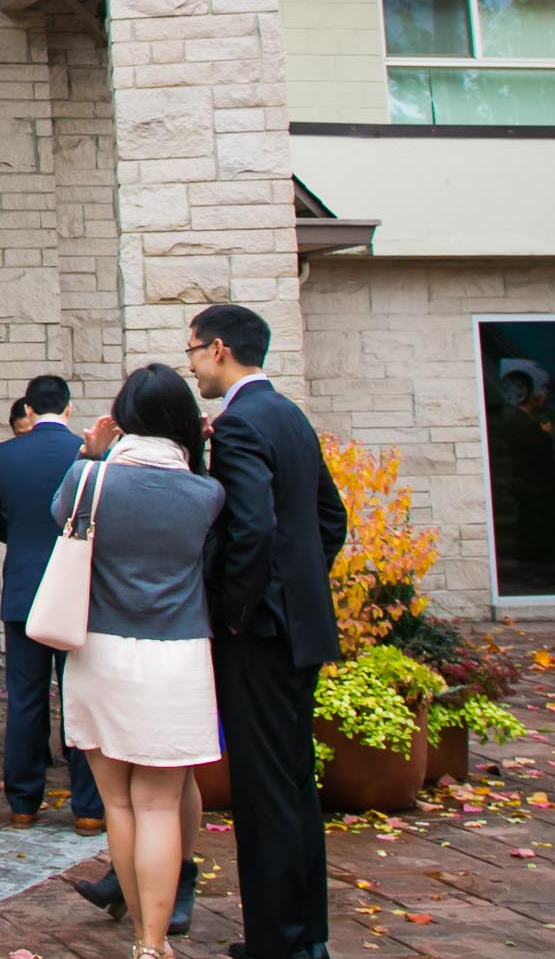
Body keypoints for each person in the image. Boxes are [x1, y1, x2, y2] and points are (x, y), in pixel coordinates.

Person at [187, 305, 346, 959]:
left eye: (194, 350)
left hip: (260, 634)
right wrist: (301, 589)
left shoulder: (243, 422)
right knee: (293, 782)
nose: (192, 363)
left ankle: (277, 941)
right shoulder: (289, 414)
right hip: (301, 627)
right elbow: (329, 519)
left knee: (263, 788)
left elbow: (249, 528)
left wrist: (235, 611)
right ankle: (306, 933)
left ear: (220, 348)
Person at [53, 366, 226, 959]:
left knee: (119, 805)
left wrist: (90, 452)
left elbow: (59, 517)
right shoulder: (206, 493)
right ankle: (153, 945)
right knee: (158, 805)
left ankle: (137, 934)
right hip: (177, 658)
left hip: (100, 651)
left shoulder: (87, 481)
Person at [0, 372, 104, 834]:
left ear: (27, 410)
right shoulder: (88, 455)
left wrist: (20, 535)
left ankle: (24, 801)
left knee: (25, 699)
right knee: (80, 697)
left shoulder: (3, 455)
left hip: (25, 586)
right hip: (79, 591)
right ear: (67, 409)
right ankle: (88, 806)